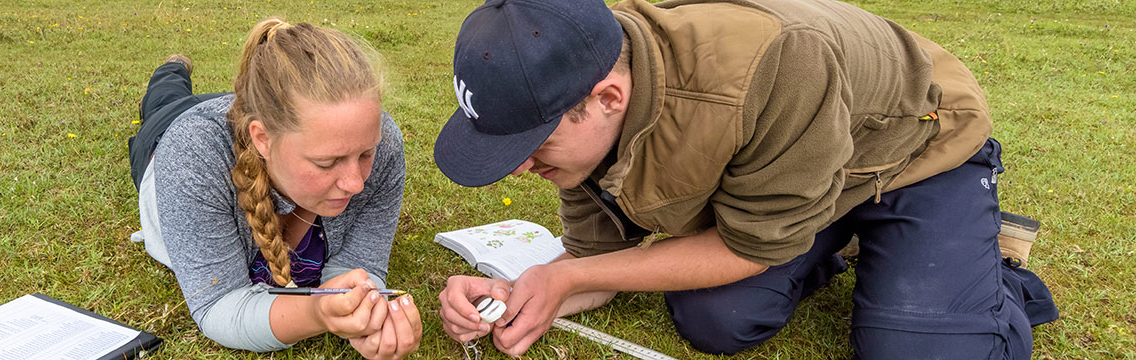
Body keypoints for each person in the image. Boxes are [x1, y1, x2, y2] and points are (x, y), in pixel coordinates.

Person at [432, 0, 1058, 358]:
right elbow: (598, 255)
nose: (520, 167)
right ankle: (843, 245)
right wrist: (520, 292)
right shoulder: (578, 74)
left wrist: (568, 273)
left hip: (914, 144)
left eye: (531, 143)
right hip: (799, 174)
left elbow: (742, 247)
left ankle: (978, 265)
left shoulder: (774, 65)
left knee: (917, 352)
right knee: (718, 319)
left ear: (608, 97)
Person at [126, 18, 420, 358]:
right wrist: (316, 313)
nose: (356, 182)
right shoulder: (191, 154)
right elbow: (219, 305)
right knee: (164, 97)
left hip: (263, 115)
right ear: (262, 140)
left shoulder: (380, 140)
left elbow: (359, 265)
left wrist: (360, 313)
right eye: (327, 163)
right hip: (164, 135)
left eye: (365, 153)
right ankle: (172, 67)